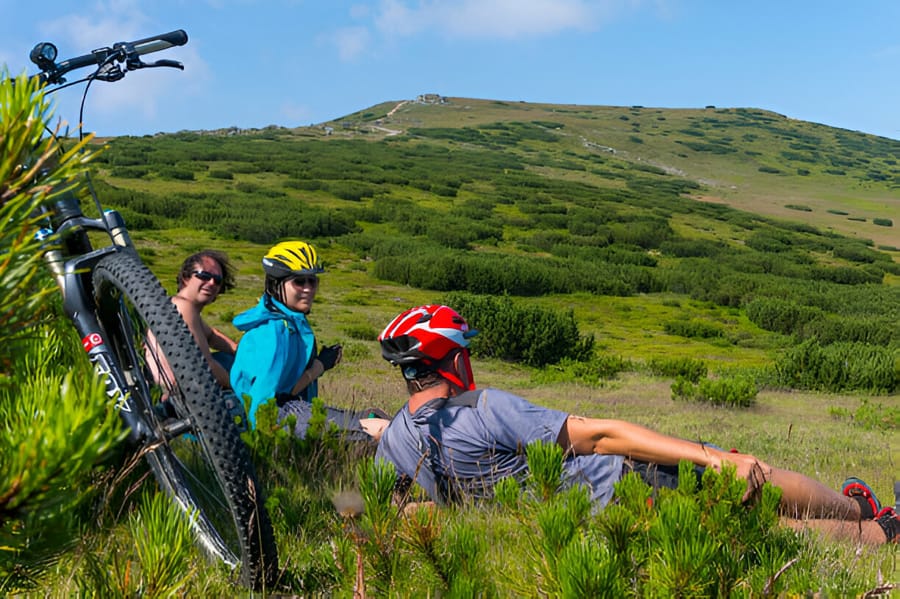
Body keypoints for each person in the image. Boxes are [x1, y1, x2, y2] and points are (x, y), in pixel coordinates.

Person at [373, 304, 899, 545]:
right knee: (755, 483)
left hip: (588, 528)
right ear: (453, 358)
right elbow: (601, 436)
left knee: (762, 532)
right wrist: (712, 457)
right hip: (622, 482)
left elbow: (395, 509)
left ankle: (876, 527)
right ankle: (870, 518)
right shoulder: (485, 407)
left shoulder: (394, 437)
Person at [230, 240, 381, 438]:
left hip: (292, 409)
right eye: (299, 281)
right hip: (279, 418)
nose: (308, 288)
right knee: (375, 432)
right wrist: (319, 366)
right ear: (276, 285)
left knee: (375, 418)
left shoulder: (290, 321)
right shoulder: (273, 332)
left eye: (312, 281)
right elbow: (264, 409)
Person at [147, 250, 237, 392]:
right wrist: (240, 388)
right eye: (204, 276)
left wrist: (240, 351)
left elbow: (212, 335)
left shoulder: (179, 305)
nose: (212, 283)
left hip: (179, 388)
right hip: (177, 393)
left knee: (230, 359)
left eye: (217, 280)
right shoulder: (183, 306)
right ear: (186, 278)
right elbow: (205, 365)